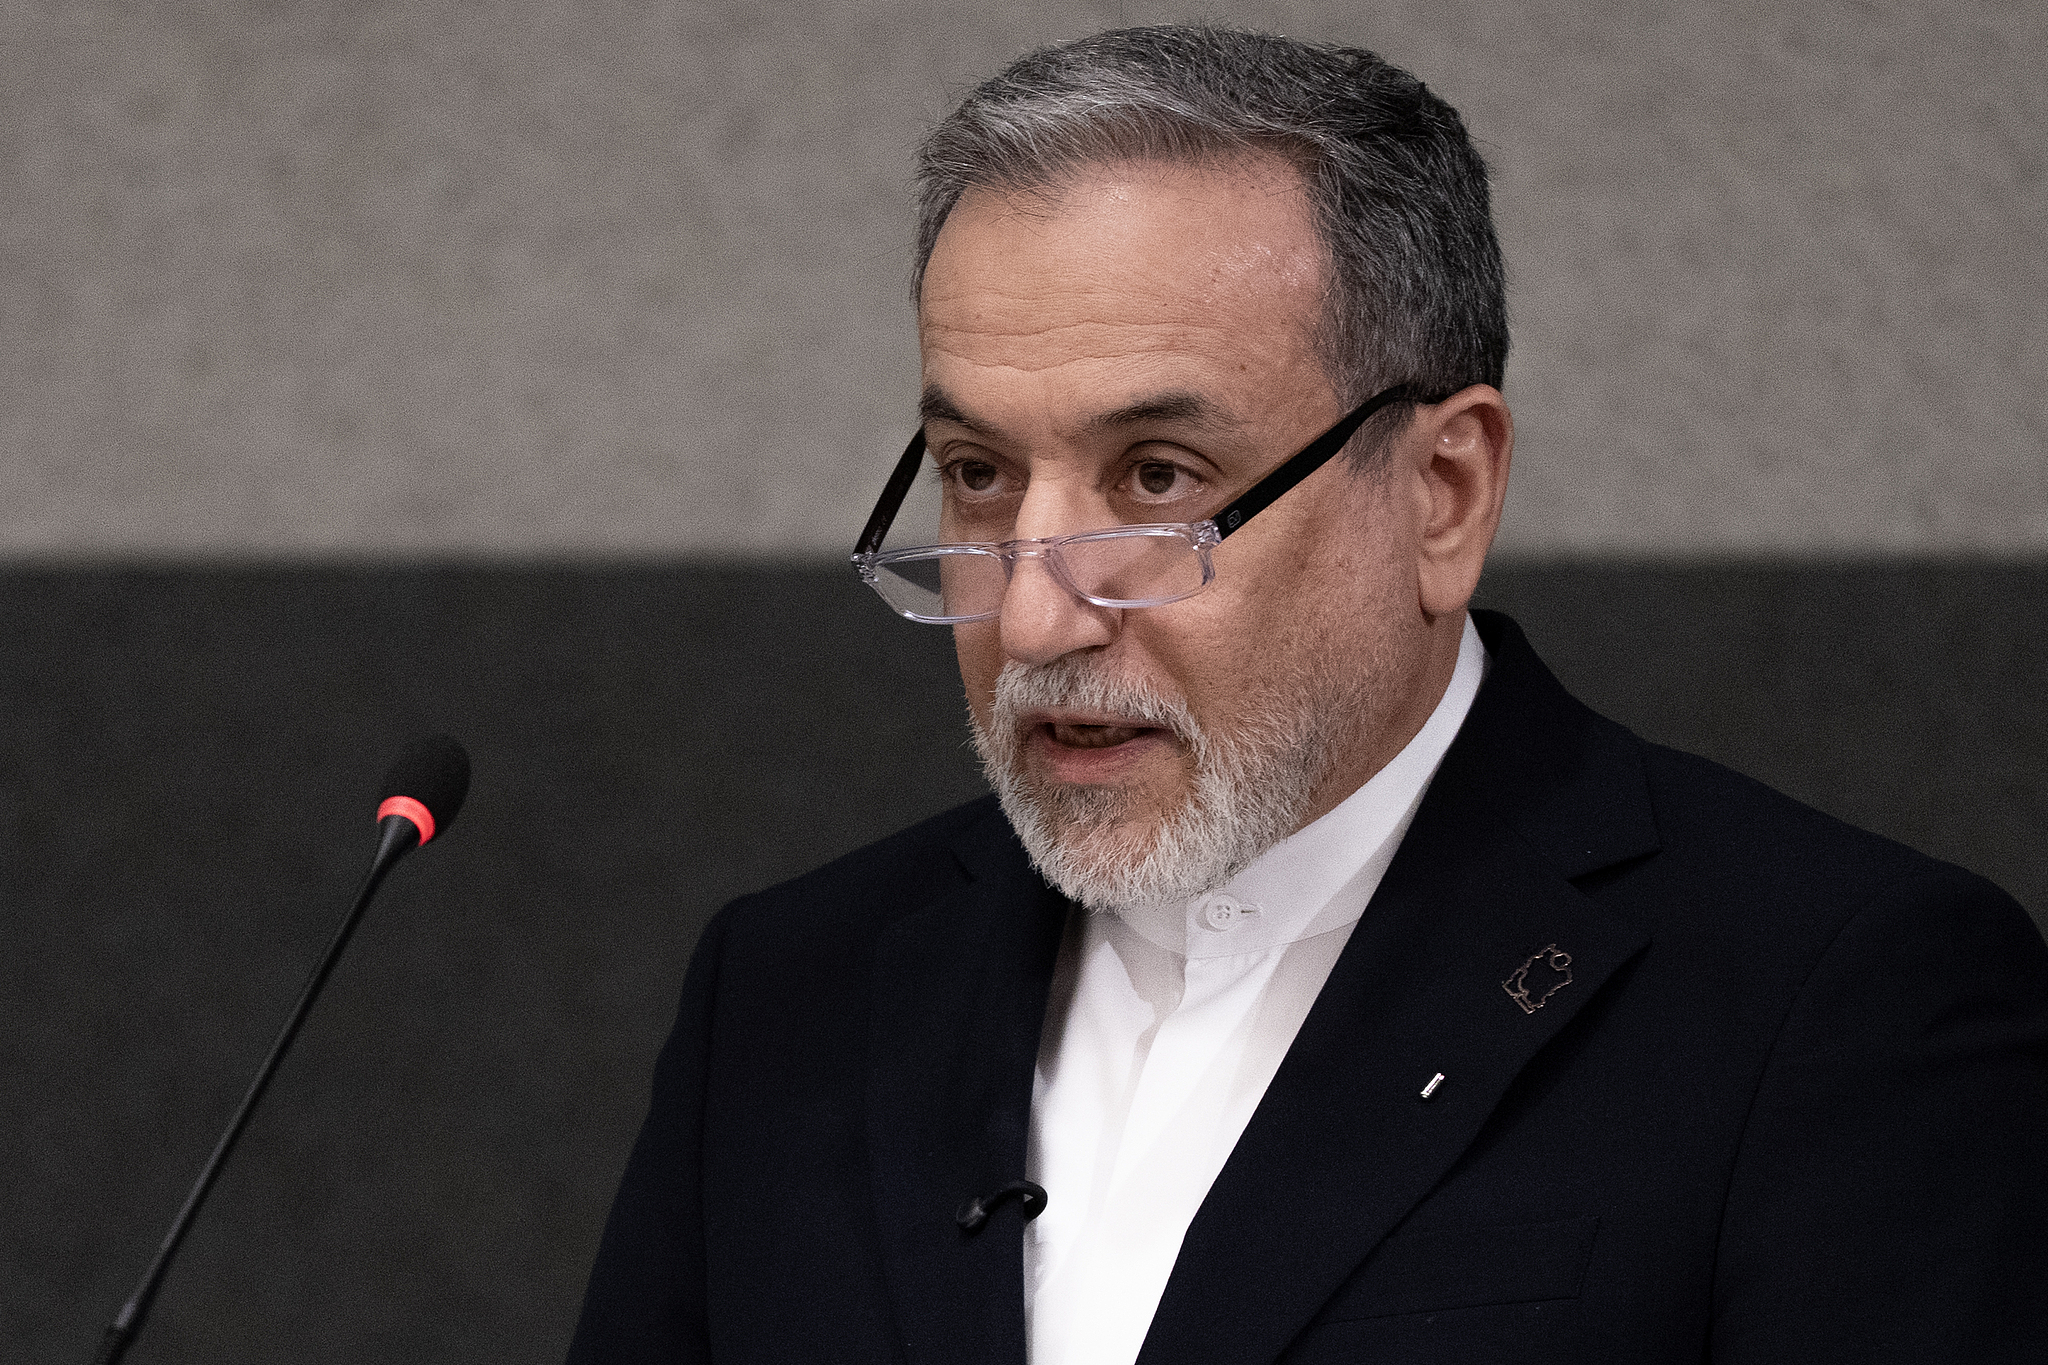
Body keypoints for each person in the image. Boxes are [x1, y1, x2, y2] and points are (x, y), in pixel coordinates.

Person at [567, 26, 2048, 1365]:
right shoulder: (791, 993)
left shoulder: (1832, 1000)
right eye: (978, 474)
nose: (1031, 607)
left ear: (1441, 492)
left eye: (1157, 479)